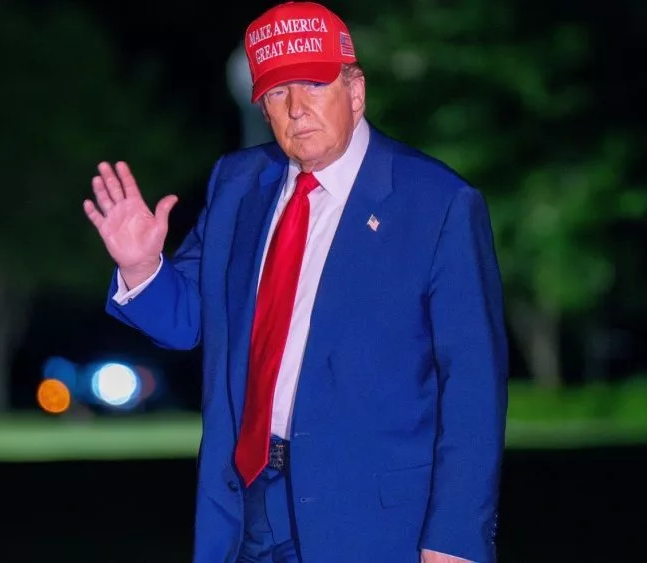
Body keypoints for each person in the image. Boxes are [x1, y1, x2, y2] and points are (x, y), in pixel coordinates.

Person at [83, 2, 508, 561]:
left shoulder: (439, 203)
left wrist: (455, 539)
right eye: (278, 93)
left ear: (355, 91)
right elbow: (189, 318)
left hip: (377, 521)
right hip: (250, 509)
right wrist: (142, 268)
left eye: (314, 82)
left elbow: (474, 387)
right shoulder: (238, 185)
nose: (298, 108)